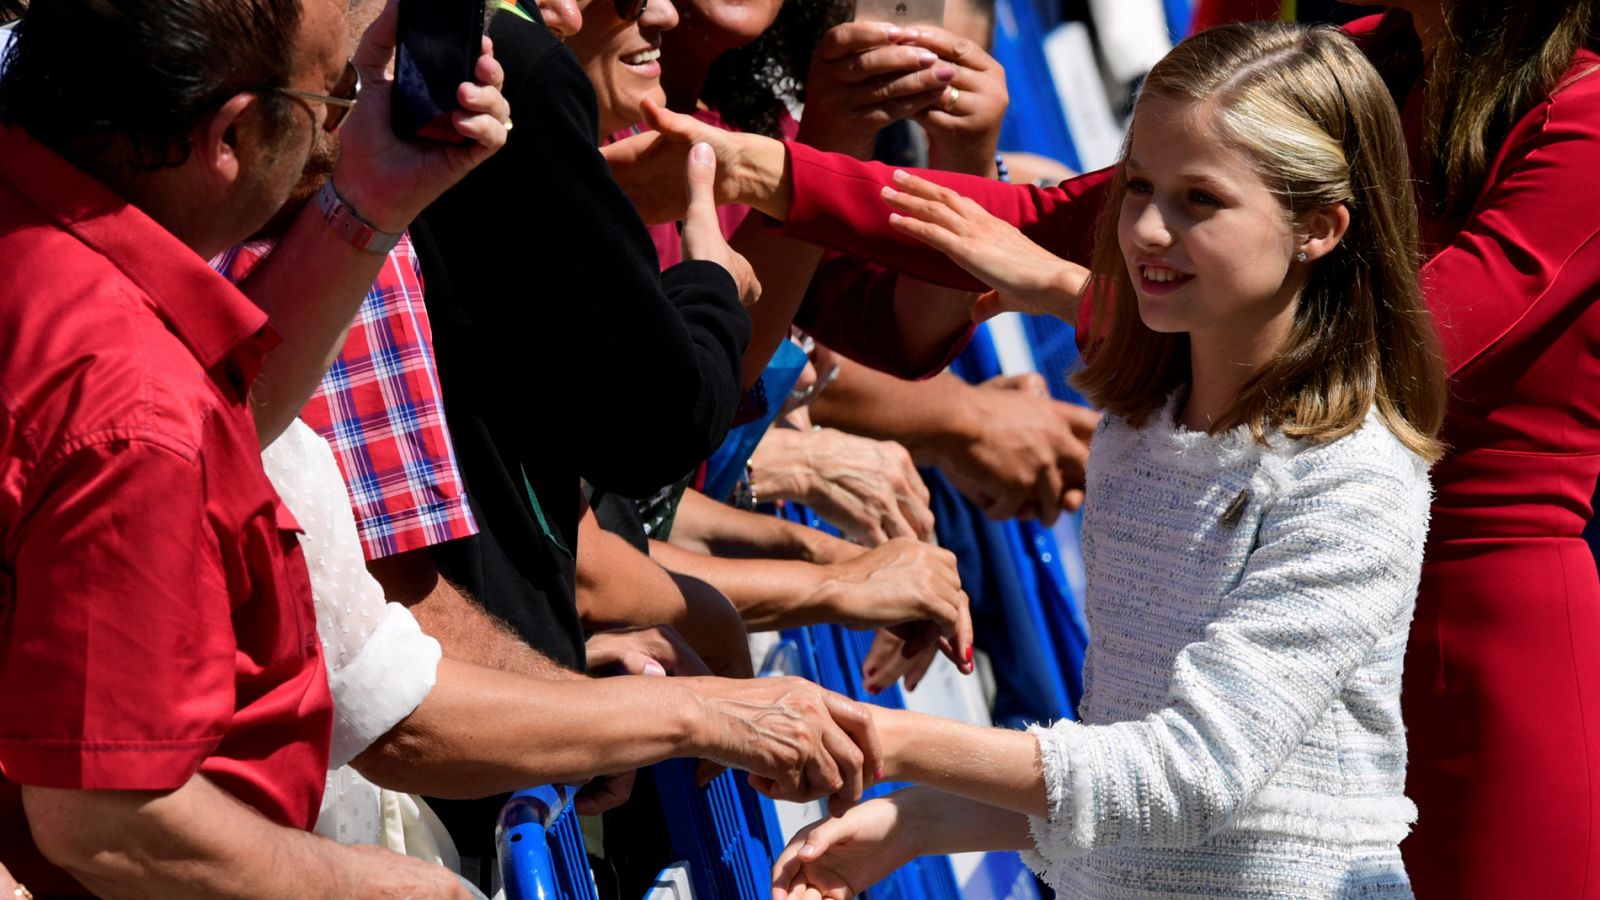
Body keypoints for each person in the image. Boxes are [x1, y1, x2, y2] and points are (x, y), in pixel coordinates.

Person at [612, 3, 1600, 894]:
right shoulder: (1361, 59)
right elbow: (1050, 220)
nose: (1155, 227)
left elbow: (1405, 353)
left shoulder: (1583, 112)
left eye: (1196, 207)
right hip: (1263, 558)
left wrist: (1068, 294)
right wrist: (747, 170)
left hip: (1480, 644)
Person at [759, 22, 1449, 897]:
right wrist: (923, 819)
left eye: (1200, 200)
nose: (1148, 230)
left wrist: (886, 741)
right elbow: (1129, 774)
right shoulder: (1141, 429)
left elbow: (1185, 776)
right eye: (1137, 188)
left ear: (1318, 228)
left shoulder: (1352, 478)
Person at [0, 0, 507, 896]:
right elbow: (112, 820)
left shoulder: (42, 240)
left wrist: (369, 199)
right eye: (329, 97)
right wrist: (389, 888)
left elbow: (226, 426)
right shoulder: (129, 397)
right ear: (231, 133)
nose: (339, 128)